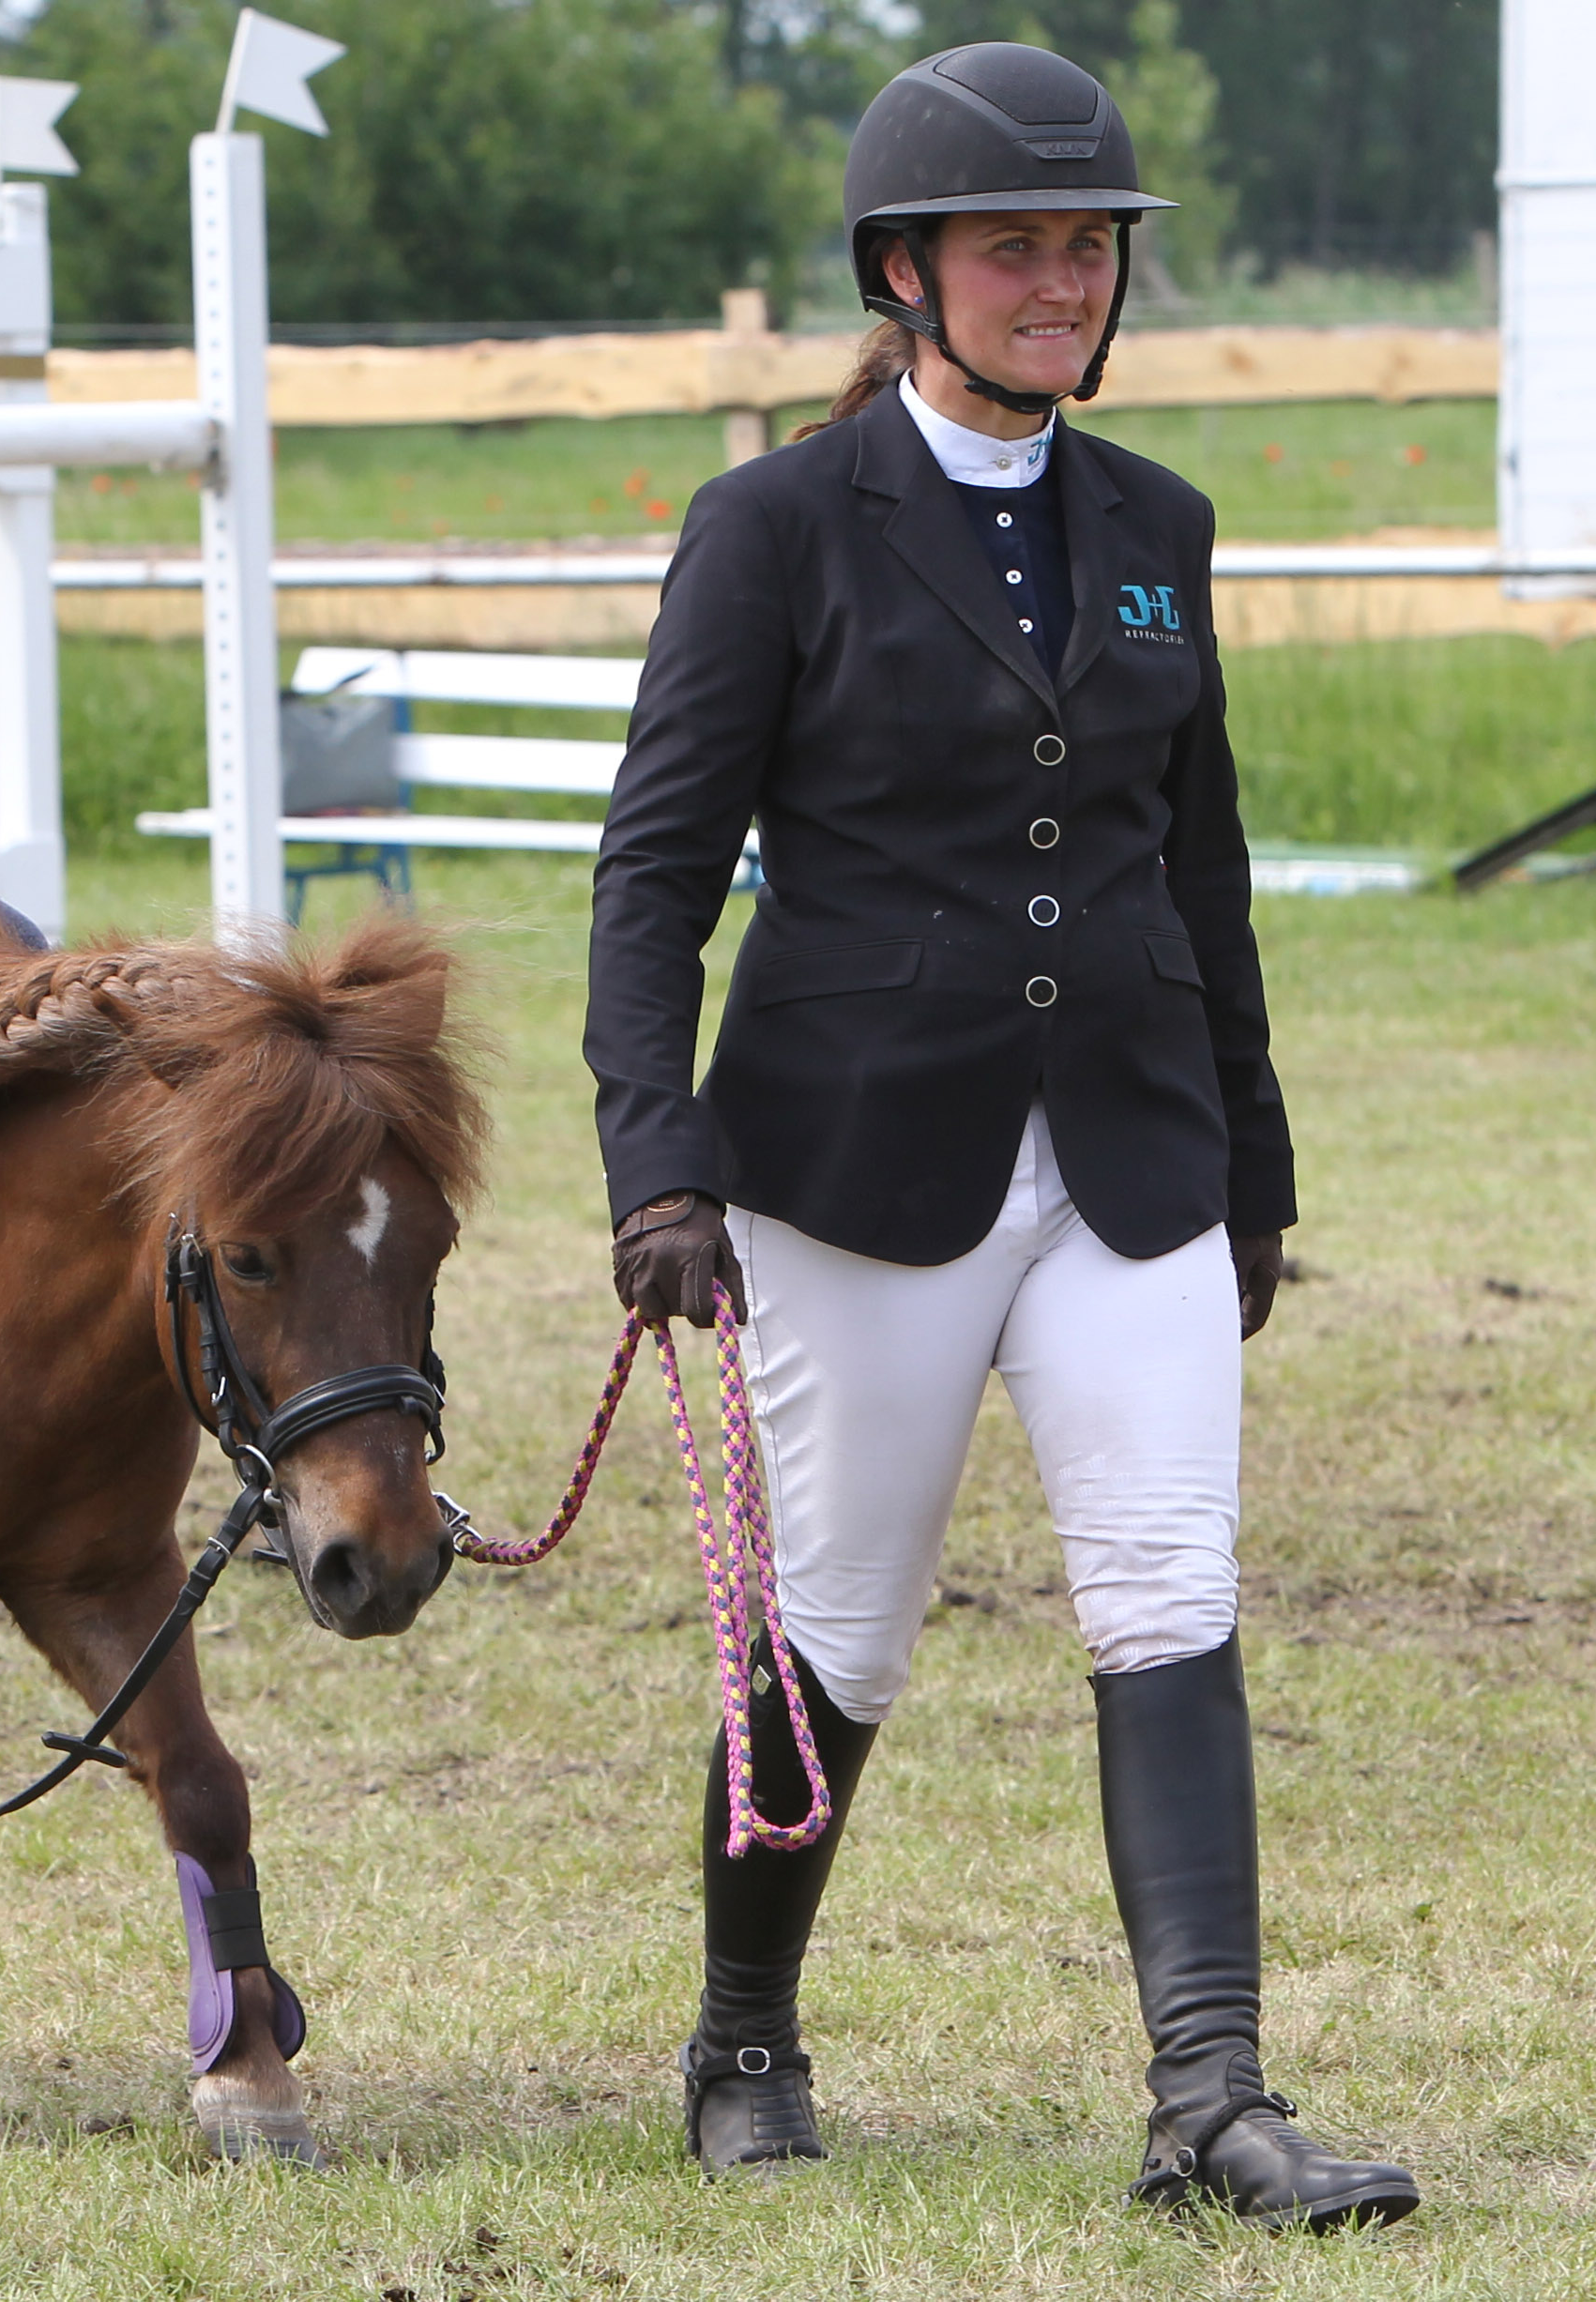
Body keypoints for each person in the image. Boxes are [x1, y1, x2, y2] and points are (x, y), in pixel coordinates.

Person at [585, 44, 1418, 2228]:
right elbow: (654, 873)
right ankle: (744, 2034)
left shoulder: (1158, 526)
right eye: (1017, 250)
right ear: (909, 272)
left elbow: (1198, 864)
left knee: (1169, 1589)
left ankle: (1210, 2098)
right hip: (861, 1159)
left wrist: (1258, 1156)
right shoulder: (774, 527)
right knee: (838, 1633)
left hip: (1129, 1152)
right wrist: (657, 1159)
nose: (1062, 284)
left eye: (1088, 251)